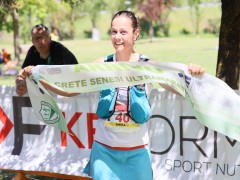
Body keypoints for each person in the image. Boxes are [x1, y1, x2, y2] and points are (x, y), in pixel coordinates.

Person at [22, 11, 204, 180]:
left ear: (136, 33)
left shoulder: (148, 66)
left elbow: (179, 89)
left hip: (137, 153)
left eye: (123, 32)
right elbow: (69, 89)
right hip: (104, 153)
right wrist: (38, 78)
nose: (117, 37)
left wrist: (194, 75)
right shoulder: (102, 64)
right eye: (113, 31)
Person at [15, 24, 78, 96]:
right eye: (36, 38)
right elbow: (23, 71)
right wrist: (20, 82)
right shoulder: (33, 51)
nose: (40, 41)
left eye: (44, 37)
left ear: (50, 38)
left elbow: (69, 76)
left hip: (69, 90)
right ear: (32, 41)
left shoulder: (58, 49)